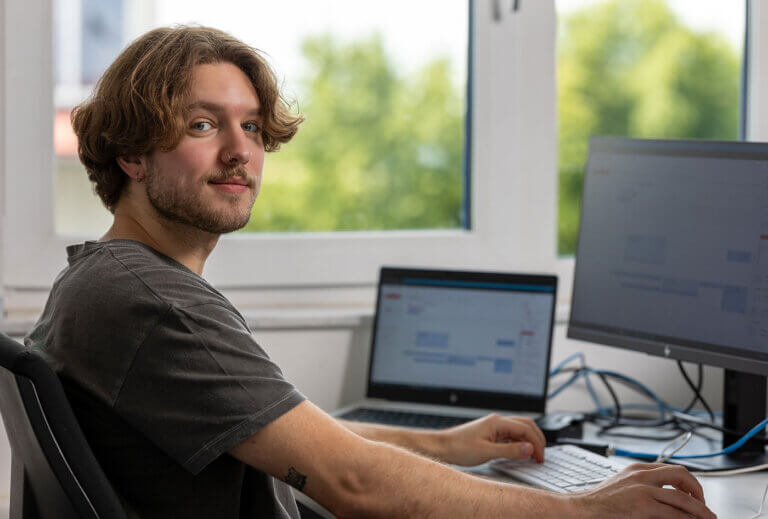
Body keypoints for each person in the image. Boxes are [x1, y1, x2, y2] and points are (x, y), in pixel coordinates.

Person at [25, 26, 716, 519]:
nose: (242, 151)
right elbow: (350, 482)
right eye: (203, 125)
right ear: (132, 156)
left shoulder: (106, 279)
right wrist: (582, 508)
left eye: (255, 128)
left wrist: (443, 444)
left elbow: (292, 431)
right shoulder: (154, 302)